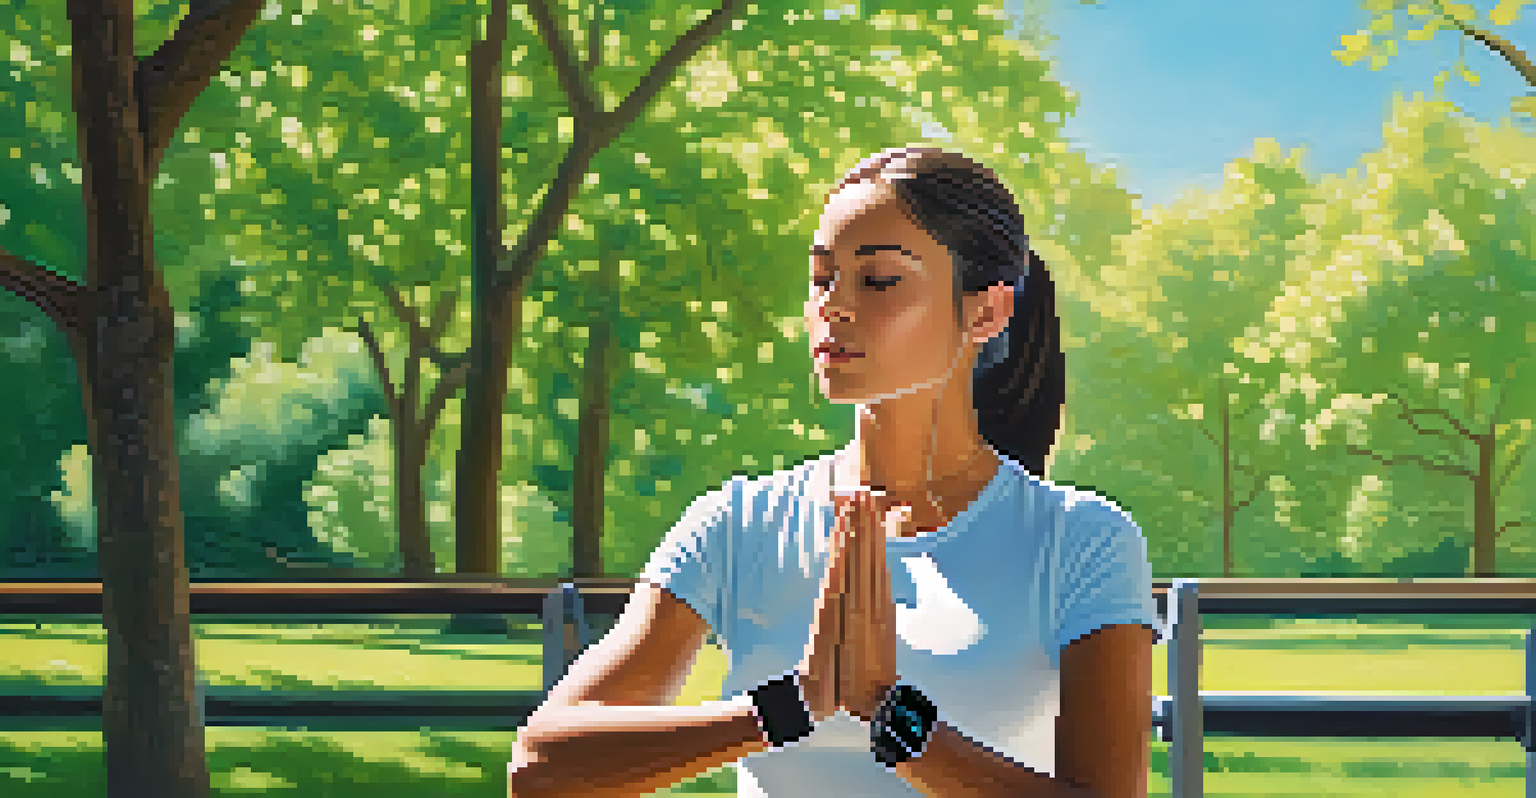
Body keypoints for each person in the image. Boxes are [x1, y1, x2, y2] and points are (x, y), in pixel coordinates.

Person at [508, 147, 1160, 797]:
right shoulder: (738, 524)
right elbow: (540, 769)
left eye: (878, 281)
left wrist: (891, 717)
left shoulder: (1081, 542)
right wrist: (786, 708)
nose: (834, 306)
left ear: (986, 313)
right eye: (822, 278)